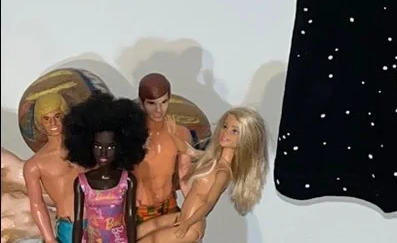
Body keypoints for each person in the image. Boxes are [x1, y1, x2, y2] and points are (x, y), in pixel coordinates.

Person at [138, 109, 268, 243]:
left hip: (191, 226)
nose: (225, 132)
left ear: (246, 138)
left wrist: (187, 223)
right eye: (225, 126)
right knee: (138, 232)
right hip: (181, 218)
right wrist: (172, 134)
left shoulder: (223, 172)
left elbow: (209, 203)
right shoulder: (211, 160)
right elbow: (187, 149)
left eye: (234, 131)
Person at [63, 94, 147, 243]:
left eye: (110, 147)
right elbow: (78, 222)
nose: (103, 153)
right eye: (97, 146)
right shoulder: (81, 183)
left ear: (120, 147)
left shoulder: (127, 181)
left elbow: (130, 218)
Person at [132, 76, 192, 230]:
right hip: (138, 211)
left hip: (169, 207)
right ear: (141, 102)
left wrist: (194, 209)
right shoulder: (131, 136)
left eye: (164, 102)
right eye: (152, 103)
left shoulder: (181, 133)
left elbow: (185, 176)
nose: (159, 110)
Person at [22, 93, 82, 243]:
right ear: (40, 122)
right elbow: (37, 204)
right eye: (46, 119)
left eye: (57, 116)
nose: (53, 123)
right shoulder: (35, 164)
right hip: (70, 227)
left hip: (100, 220)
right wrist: (49, 238)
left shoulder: (83, 149)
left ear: (64, 115)